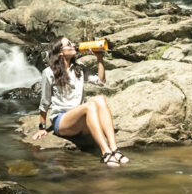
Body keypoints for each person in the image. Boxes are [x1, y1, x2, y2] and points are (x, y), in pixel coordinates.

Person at [32, 36, 130, 167]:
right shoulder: (48, 72)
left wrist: (99, 58)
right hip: (62, 121)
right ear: (60, 51)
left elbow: (101, 81)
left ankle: (114, 149)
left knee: (100, 99)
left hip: (80, 120)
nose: (73, 45)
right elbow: (45, 101)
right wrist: (42, 127)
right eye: (68, 44)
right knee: (89, 106)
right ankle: (105, 153)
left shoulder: (79, 68)